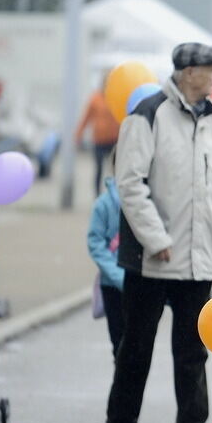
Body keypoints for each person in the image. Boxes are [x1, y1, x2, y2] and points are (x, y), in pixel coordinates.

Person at [103, 42, 212, 423]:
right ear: (187, 71)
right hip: (152, 256)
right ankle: (121, 421)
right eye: (210, 69)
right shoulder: (147, 116)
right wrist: (156, 239)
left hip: (200, 258)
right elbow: (129, 184)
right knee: (136, 342)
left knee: (195, 346)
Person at [87, 153, 124, 359]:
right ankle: (123, 387)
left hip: (142, 284)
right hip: (112, 286)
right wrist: (117, 276)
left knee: (138, 346)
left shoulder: (152, 199)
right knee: (119, 343)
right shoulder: (104, 205)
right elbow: (95, 243)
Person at [75, 77, 122, 195]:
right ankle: (97, 196)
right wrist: (79, 134)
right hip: (99, 141)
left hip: (114, 140)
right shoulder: (95, 99)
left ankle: (115, 195)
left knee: (115, 170)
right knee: (99, 169)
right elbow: (86, 117)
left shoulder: (117, 97)